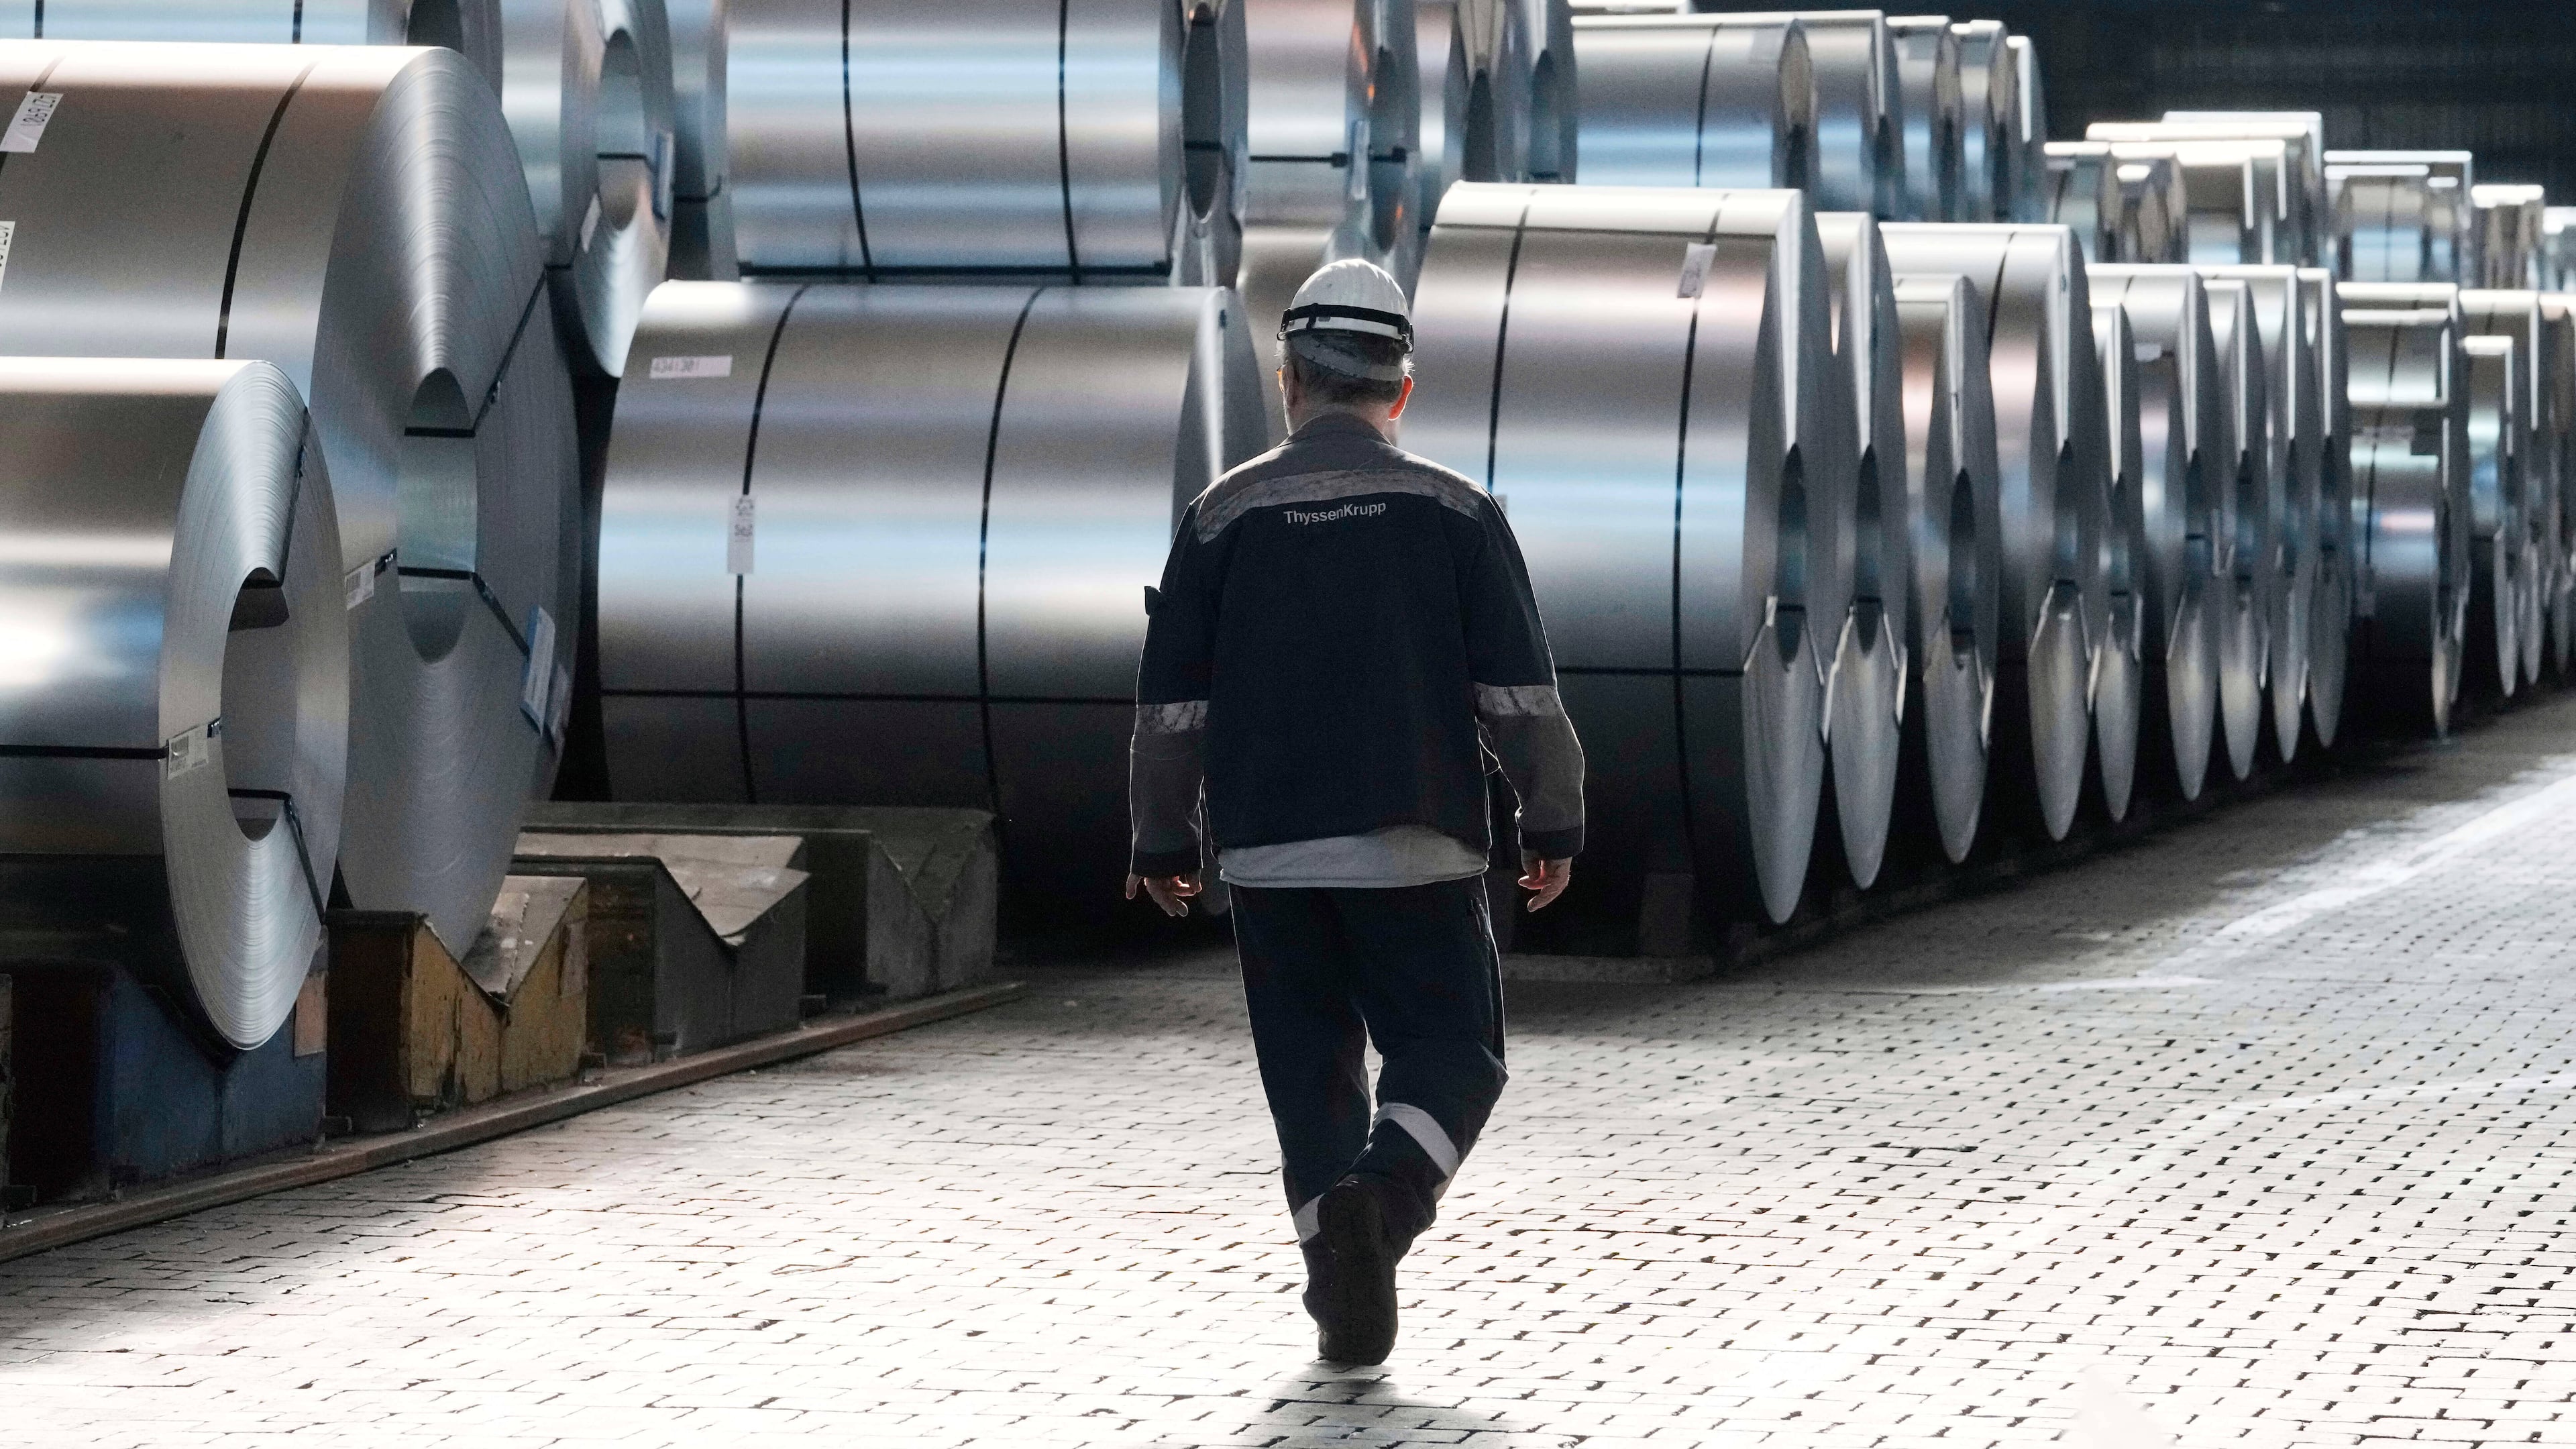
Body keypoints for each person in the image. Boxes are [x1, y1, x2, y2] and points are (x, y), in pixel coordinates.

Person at [1123, 258, 1585, 1366]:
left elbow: (1170, 706)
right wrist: (1554, 819)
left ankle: (1345, 1299)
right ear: (1403, 391)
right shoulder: (1455, 512)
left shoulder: (1219, 516)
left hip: (1270, 859)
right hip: (1416, 844)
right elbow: (1519, 694)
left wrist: (1156, 837)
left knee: (1309, 1078)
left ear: (1288, 381)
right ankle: (1380, 1203)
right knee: (1455, 1054)